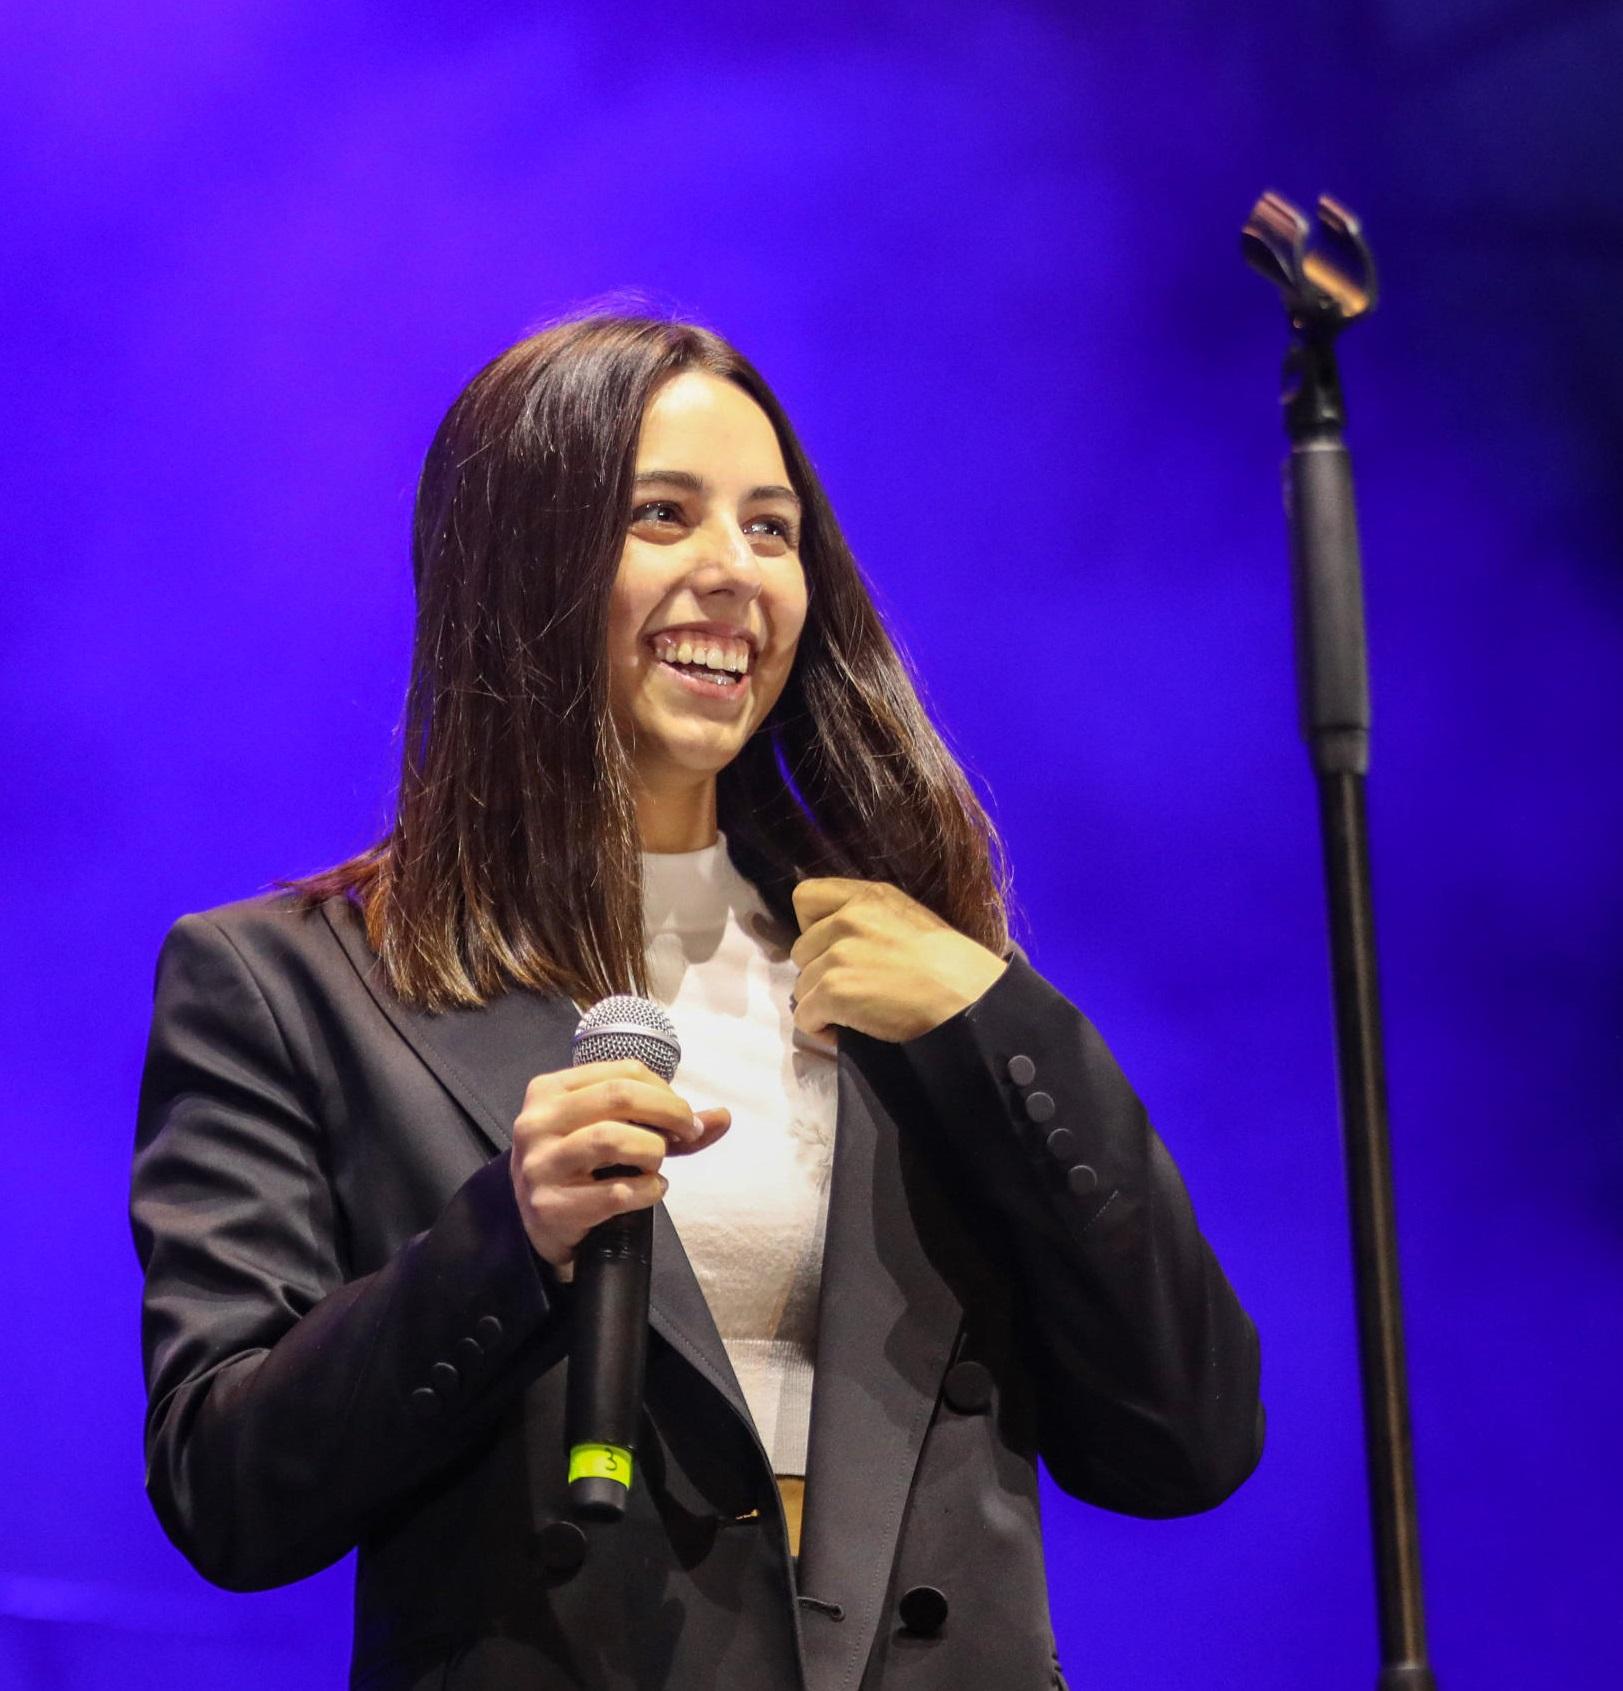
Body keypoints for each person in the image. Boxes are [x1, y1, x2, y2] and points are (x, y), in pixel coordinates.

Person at [131, 313, 1262, 1691]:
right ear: (520, 567)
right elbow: (229, 1489)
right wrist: (509, 1233)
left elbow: (1187, 1438)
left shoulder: (911, 972)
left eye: (772, 531)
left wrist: (1007, 1023)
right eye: (663, 517)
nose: (736, 574)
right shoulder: (298, 981)